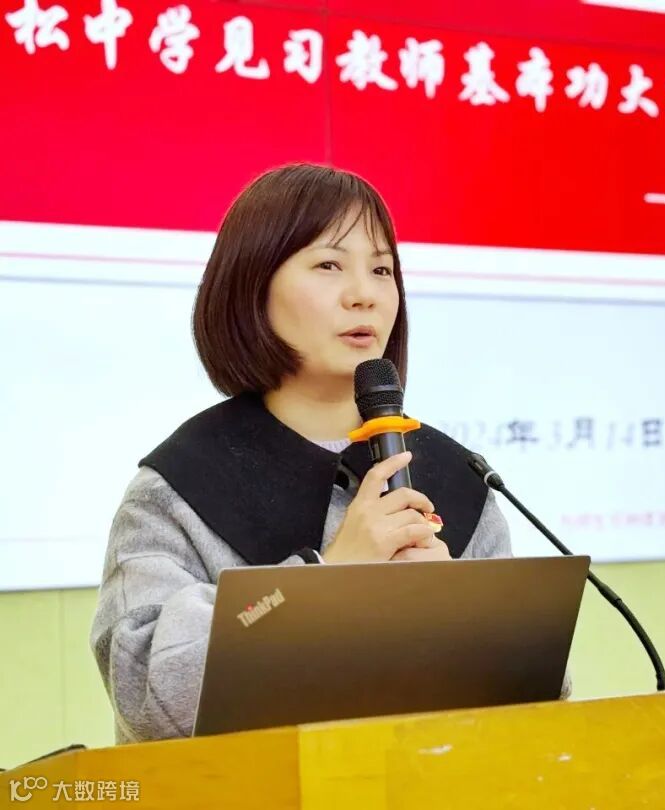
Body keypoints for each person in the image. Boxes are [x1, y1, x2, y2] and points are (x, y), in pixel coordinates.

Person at [90, 163, 528, 744]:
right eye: (329, 265)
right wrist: (328, 579)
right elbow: (148, 694)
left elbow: (537, 700)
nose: (364, 295)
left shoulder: (459, 479)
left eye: (381, 270)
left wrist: (459, 613)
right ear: (253, 287)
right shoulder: (178, 487)